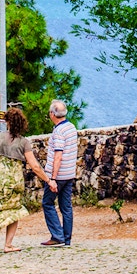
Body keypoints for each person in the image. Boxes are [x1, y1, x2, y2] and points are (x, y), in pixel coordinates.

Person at [0, 106, 57, 256]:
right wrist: (48, 181)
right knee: (13, 211)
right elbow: (35, 166)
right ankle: (8, 245)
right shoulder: (24, 142)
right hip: (15, 180)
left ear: (7, 122)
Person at [41, 99, 78, 247]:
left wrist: (53, 178)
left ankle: (57, 235)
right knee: (66, 206)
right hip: (69, 173)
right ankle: (67, 238)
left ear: (52, 114)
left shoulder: (59, 131)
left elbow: (58, 155)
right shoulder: (71, 127)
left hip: (58, 175)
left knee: (47, 203)